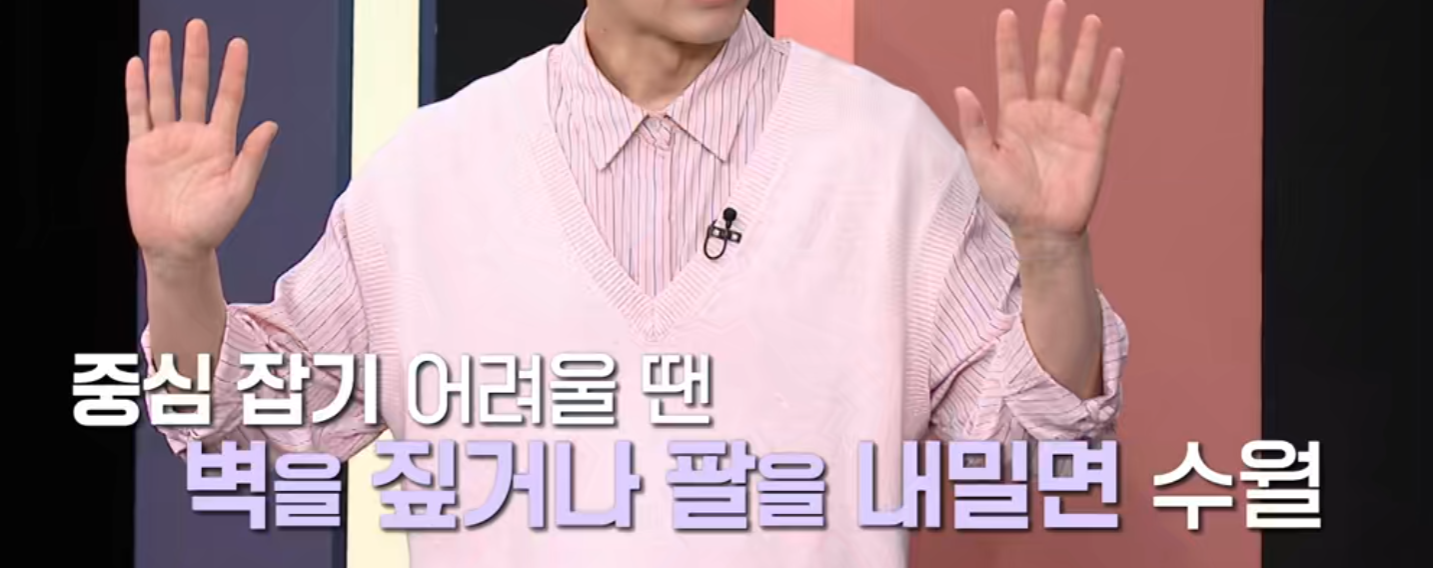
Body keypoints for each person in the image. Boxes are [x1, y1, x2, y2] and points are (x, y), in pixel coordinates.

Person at [125, 0, 1128, 565]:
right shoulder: (434, 170)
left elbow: (1028, 444)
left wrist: (1051, 252)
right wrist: (176, 268)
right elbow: (241, 419)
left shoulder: (884, 150)